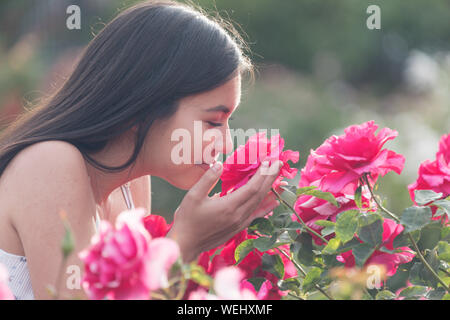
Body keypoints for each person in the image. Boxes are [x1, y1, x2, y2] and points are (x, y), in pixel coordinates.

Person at [0, 0, 282, 299]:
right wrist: (184, 242)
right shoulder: (50, 163)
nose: (226, 144)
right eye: (213, 122)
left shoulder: (131, 187)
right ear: (143, 108)